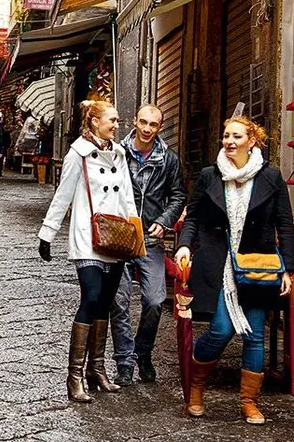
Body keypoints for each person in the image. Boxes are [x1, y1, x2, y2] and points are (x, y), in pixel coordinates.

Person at [174, 115, 294, 425]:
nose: (229, 141)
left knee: (255, 334)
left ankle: (249, 402)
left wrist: (287, 269)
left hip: (257, 264)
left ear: (251, 141)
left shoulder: (271, 177)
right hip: (219, 265)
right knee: (221, 330)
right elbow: (192, 217)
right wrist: (185, 245)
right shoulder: (209, 176)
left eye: (236, 137)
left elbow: (284, 223)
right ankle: (196, 387)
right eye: (226, 136)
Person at [38, 100, 138, 403]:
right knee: (91, 297)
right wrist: (47, 233)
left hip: (117, 238)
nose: (117, 125)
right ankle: (75, 376)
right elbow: (63, 194)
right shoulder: (77, 154)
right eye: (112, 120)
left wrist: (136, 234)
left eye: (118, 120)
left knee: (106, 301)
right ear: (94, 122)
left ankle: (97, 369)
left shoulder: (119, 154)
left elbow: (128, 197)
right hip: (87, 236)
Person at [109, 104, 187, 386]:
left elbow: (179, 196)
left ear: (159, 127)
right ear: (134, 121)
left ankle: (143, 354)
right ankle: (125, 363)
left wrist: (164, 220)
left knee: (155, 300)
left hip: (151, 240)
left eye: (152, 125)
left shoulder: (169, 159)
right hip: (119, 237)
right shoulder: (116, 152)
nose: (146, 128)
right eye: (142, 122)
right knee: (119, 302)